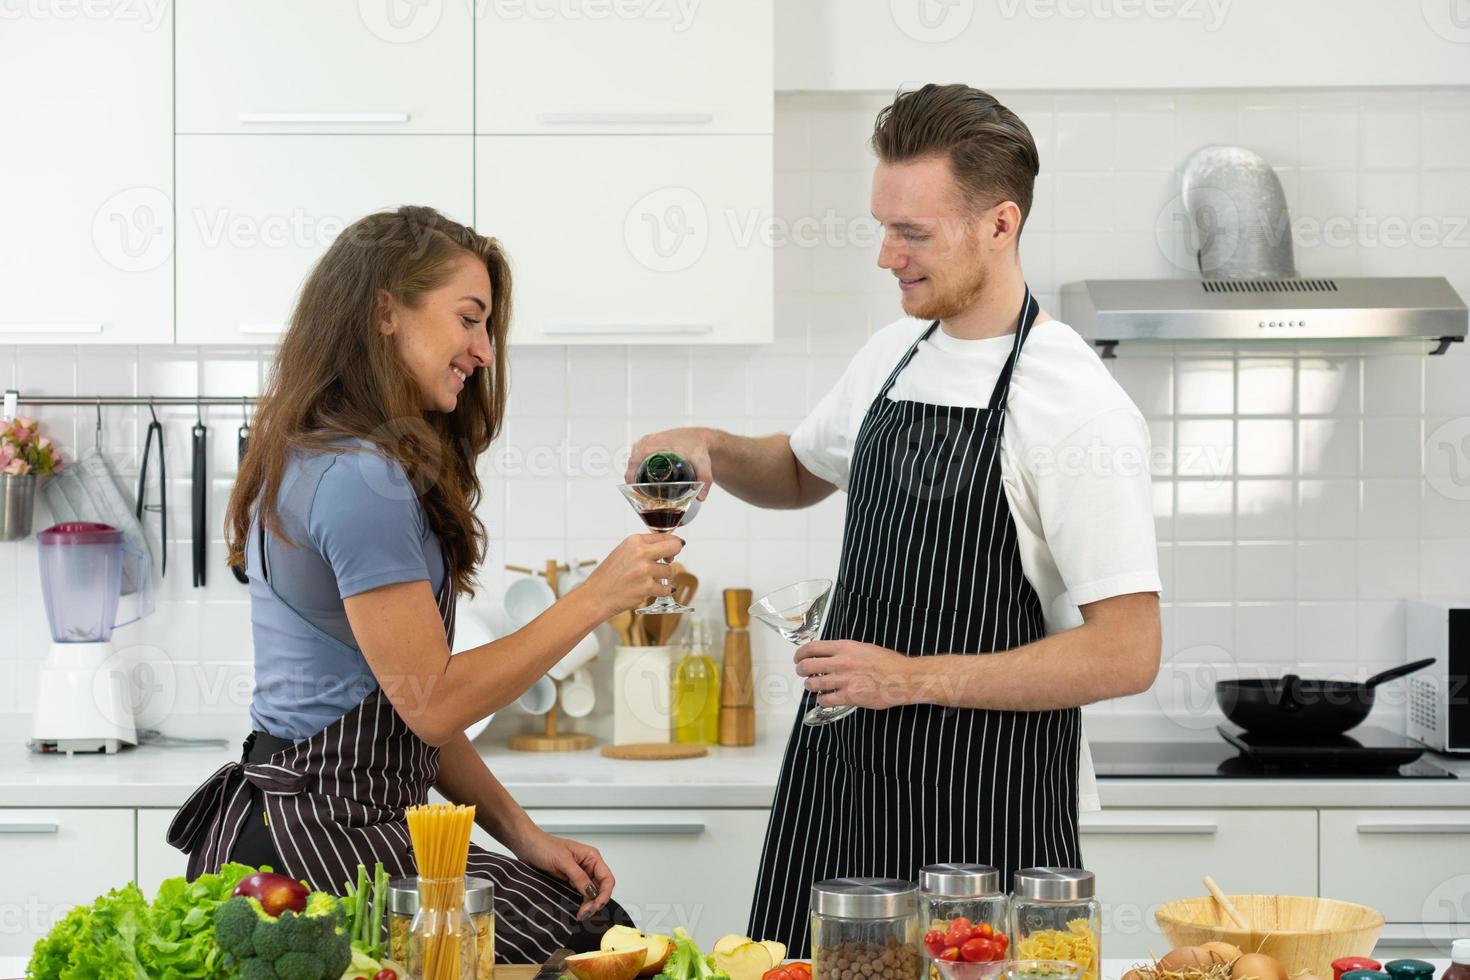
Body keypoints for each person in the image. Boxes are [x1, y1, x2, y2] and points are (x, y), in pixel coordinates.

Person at [628, 84, 1162, 954]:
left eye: (912, 233)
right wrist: (712, 446)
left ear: (1000, 223)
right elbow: (802, 469)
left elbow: (1128, 651)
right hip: (836, 785)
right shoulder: (894, 353)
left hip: (980, 815)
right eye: (883, 226)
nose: (886, 256)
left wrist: (908, 679)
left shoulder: (1074, 407)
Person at [168, 205, 682, 959]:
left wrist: (526, 836)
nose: (483, 351)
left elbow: (406, 714)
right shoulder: (357, 478)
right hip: (320, 841)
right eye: (469, 319)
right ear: (385, 310)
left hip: (321, 822)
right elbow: (437, 702)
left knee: (589, 926)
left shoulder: (333, 455)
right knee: (590, 940)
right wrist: (596, 597)